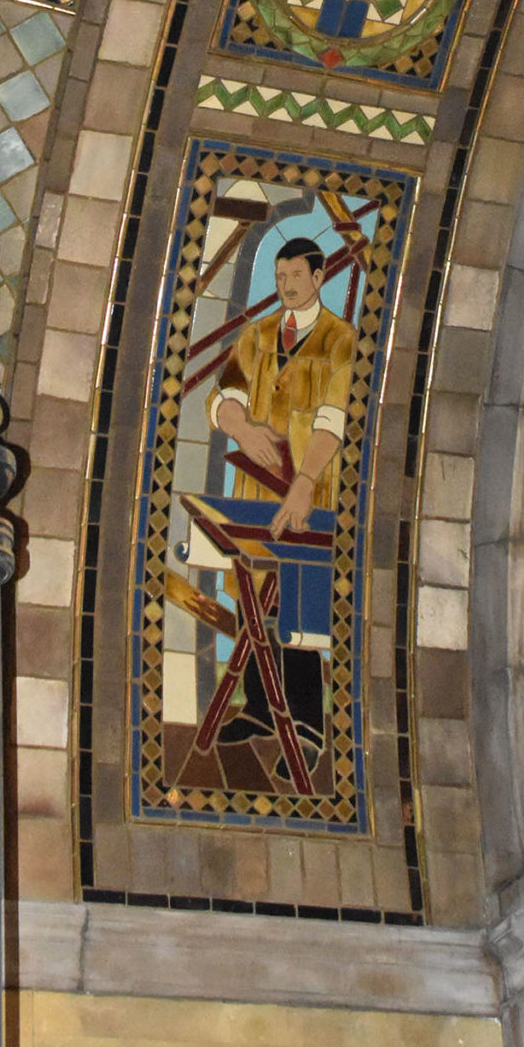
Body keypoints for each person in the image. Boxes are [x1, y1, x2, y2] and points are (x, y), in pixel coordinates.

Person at [207, 237, 354, 767]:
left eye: (296, 275)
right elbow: (223, 398)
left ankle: (309, 726)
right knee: (254, 594)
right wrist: (243, 429)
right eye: (280, 276)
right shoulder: (257, 335)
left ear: (318, 277)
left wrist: (306, 479)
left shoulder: (341, 341)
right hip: (255, 492)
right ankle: (258, 708)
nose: (287, 285)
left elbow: (333, 419)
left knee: (300, 603)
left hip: (309, 495)